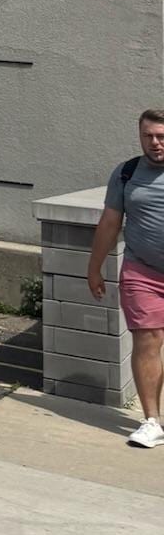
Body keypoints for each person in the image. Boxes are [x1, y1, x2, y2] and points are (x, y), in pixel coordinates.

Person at [88, 109, 164, 447]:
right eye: (148, 136)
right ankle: (151, 421)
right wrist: (94, 268)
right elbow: (109, 223)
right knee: (147, 341)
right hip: (141, 272)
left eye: (161, 136)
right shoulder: (126, 173)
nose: (155, 143)